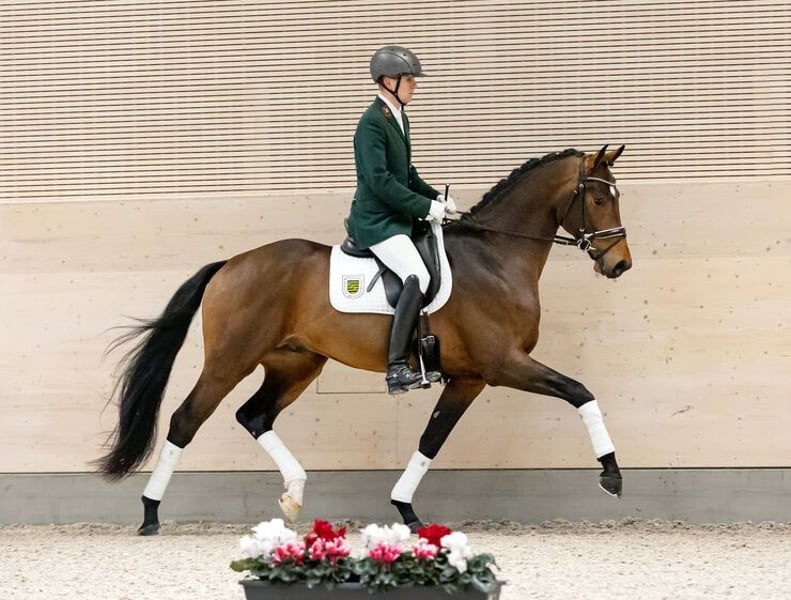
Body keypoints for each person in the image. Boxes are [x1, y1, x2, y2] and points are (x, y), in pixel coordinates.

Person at [345, 45, 457, 395]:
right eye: (409, 79)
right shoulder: (371, 123)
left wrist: (435, 198)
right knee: (417, 274)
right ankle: (396, 367)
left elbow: (407, 174)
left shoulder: (398, 117)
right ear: (387, 81)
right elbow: (380, 181)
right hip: (377, 221)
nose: (414, 85)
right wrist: (424, 208)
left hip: (397, 216)